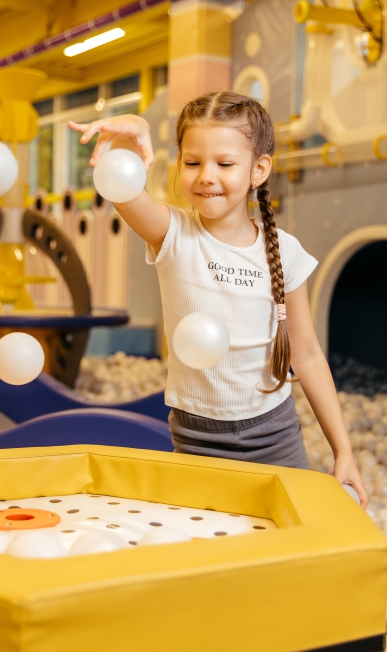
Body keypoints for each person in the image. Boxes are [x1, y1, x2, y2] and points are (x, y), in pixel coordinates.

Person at [69, 91, 367, 507]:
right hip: (198, 438)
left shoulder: (285, 251)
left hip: (274, 435)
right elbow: (122, 189)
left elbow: (308, 355)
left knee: (287, 533)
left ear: (258, 169)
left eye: (225, 164)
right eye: (193, 163)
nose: (207, 176)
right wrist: (130, 140)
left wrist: (343, 450)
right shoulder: (173, 234)